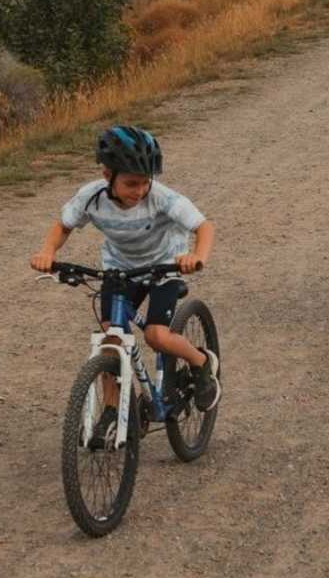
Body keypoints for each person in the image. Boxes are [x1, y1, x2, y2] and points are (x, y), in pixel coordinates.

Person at [31, 125, 220, 443]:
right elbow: (63, 225)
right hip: (119, 270)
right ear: (107, 175)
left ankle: (201, 363)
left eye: (146, 182)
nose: (140, 190)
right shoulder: (90, 197)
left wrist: (196, 256)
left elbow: (204, 226)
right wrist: (48, 252)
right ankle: (112, 409)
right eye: (131, 183)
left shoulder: (161, 198)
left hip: (164, 266)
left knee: (157, 335)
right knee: (111, 340)